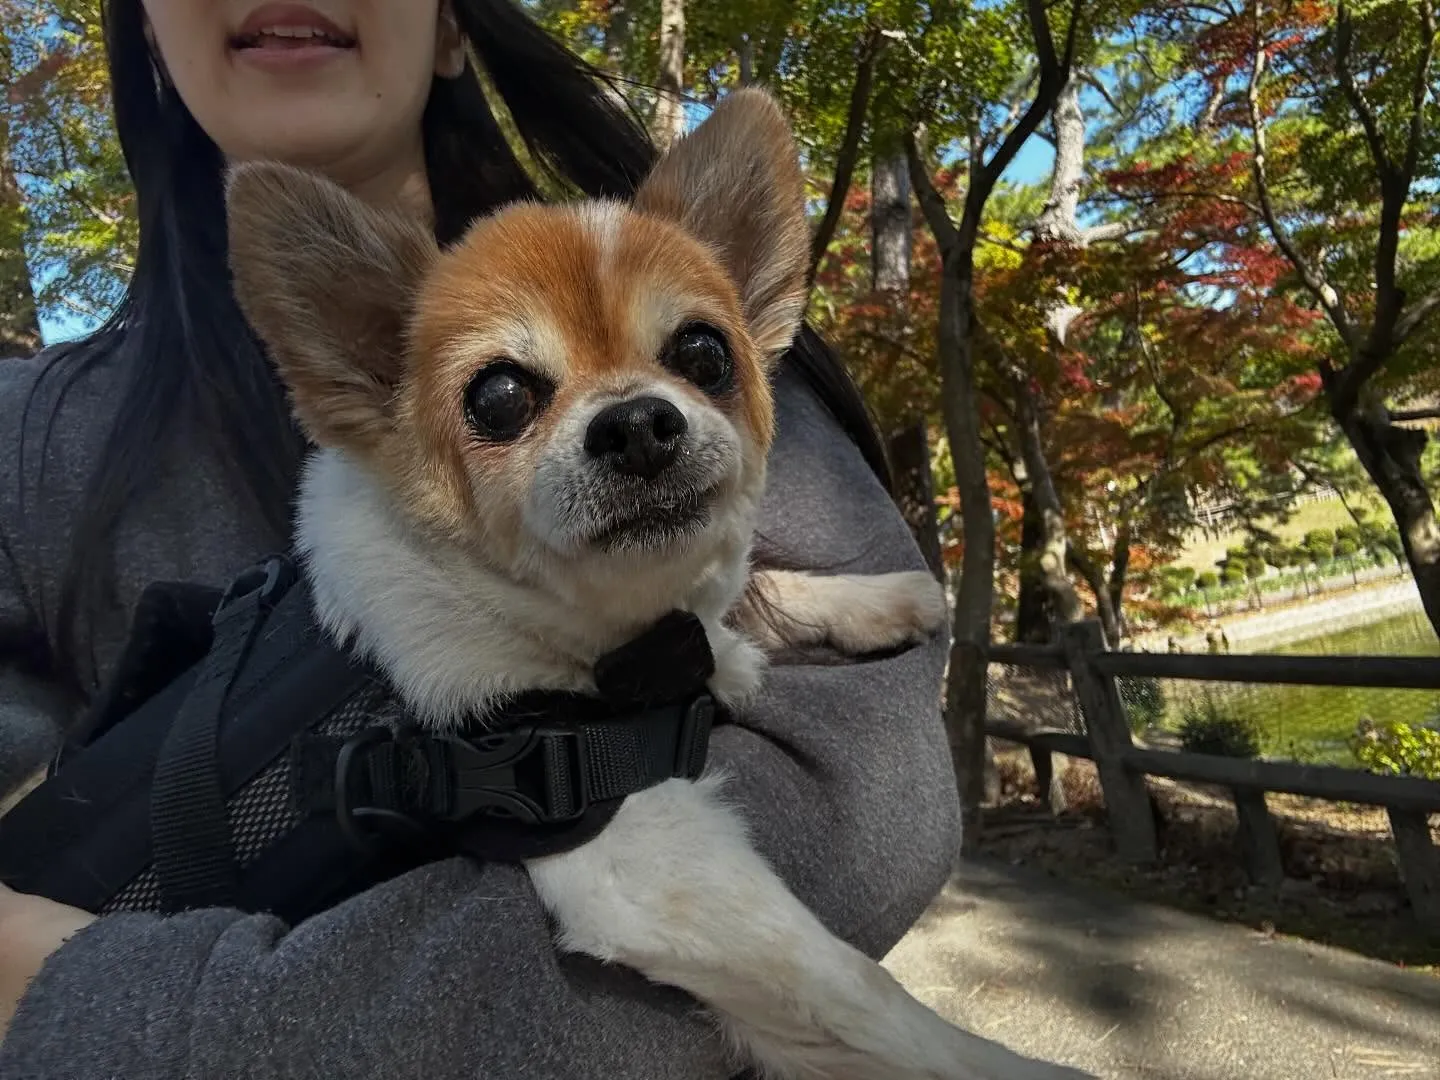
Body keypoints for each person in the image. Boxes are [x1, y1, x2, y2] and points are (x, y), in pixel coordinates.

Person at [0, 1, 958, 1076]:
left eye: (692, 358)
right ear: (135, 31)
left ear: (455, 27)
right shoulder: (27, 443)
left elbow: (875, 793)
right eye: (505, 399)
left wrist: (116, 1010)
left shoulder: (661, 277)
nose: (637, 422)